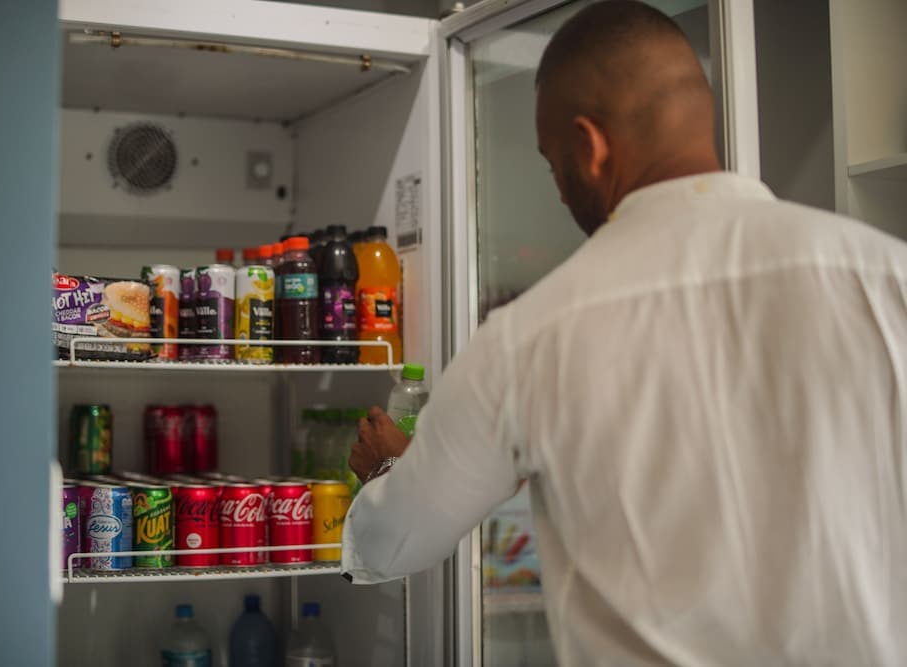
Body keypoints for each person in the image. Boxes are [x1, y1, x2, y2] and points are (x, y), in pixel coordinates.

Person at [341, 1, 907, 665]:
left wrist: (389, 468)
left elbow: (396, 539)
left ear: (590, 146)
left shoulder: (530, 337)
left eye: (553, 163)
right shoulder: (887, 276)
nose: (558, 190)